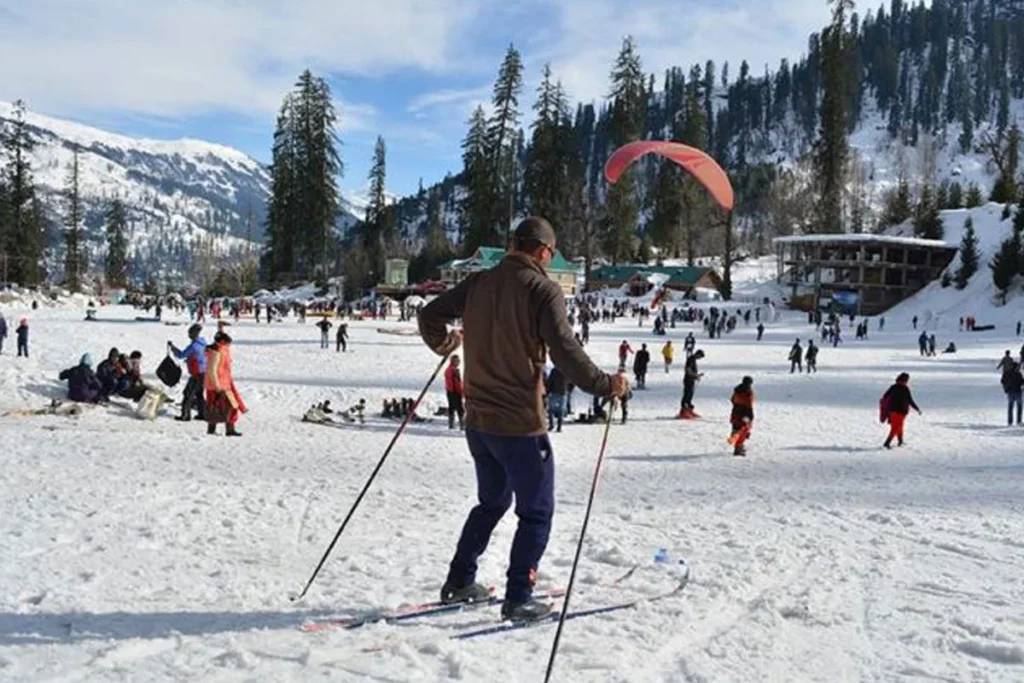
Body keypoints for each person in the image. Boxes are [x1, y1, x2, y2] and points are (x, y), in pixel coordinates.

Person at [417, 216, 627, 622]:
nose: (550, 260)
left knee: (491, 502)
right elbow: (566, 352)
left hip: (478, 422)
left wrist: (447, 344)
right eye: (551, 253)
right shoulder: (542, 289)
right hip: (520, 425)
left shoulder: (478, 283)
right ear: (543, 251)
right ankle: (519, 597)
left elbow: (429, 315)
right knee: (536, 512)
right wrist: (607, 385)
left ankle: (460, 580)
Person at [204, 332, 246, 436]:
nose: (229, 345)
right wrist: (217, 385)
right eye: (227, 343)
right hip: (216, 385)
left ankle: (228, 429)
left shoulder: (222, 348)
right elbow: (211, 370)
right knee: (216, 407)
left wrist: (220, 326)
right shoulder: (216, 353)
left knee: (231, 405)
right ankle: (214, 430)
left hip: (225, 382)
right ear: (222, 342)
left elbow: (219, 335)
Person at [170, 323, 208, 422]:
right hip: (204, 373)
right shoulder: (203, 343)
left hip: (197, 374)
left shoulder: (193, 346)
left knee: (188, 394)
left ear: (194, 334)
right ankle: (202, 413)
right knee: (199, 394)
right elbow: (200, 357)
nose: (188, 335)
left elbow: (181, 355)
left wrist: (172, 347)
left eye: (189, 333)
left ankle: (185, 415)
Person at [880, 372, 921, 449]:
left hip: (894, 411)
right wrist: (917, 409)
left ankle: (900, 441)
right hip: (899, 411)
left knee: (899, 426)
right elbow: (910, 400)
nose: (907, 382)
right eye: (906, 380)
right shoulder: (905, 389)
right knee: (896, 427)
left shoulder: (894, 387)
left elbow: (885, 397)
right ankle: (887, 443)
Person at [729, 376, 755, 457]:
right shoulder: (748, 392)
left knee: (737, 429)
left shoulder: (737, 390)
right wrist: (750, 417)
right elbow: (749, 405)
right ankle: (738, 448)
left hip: (735, 412)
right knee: (743, 431)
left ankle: (736, 442)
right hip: (744, 414)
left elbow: (732, 399)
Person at [679, 349, 705, 419]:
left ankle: (689, 410)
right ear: (698, 354)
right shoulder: (690, 359)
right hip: (688, 380)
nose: (700, 358)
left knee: (690, 395)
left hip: (691, 380)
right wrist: (695, 375)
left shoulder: (693, 360)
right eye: (700, 357)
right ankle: (684, 411)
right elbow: (688, 370)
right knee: (687, 394)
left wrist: (697, 376)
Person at [445, 355, 465, 430]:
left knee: (451, 407)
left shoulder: (448, 370)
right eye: (457, 360)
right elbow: (458, 383)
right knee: (460, 409)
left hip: (449, 391)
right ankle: (462, 425)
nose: (459, 362)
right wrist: (461, 392)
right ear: (453, 361)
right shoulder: (454, 371)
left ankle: (451, 424)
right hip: (455, 392)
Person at [545, 365, 567, 432]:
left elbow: (550, 381)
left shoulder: (554, 371)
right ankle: (559, 427)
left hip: (554, 392)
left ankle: (551, 425)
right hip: (563, 393)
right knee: (561, 410)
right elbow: (572, 381)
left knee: (551, 410)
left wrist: (547, 392)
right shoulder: (567, 371)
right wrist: (568, 390)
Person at [1002, 360, 1024, 426]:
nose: (1018, 368)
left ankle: (1010, 422)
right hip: (1017, 392)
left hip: (1010, 392)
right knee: (1019, 407)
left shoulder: (1006, 373)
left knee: (1010, 407)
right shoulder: (1018, 374)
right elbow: (1022, 382)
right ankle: (1018, 421)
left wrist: (1005, 388)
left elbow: (1002, 381)